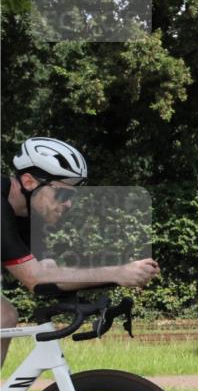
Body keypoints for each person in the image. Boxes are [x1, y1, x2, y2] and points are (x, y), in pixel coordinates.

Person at [2, 137, 160, 365]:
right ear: (28, 182)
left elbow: (51, 273)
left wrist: (117, 278)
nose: (69, 205)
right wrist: (116, 272)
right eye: (63, 195)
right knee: (3, 315)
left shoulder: (29, 215)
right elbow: (34, 278)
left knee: (4, 316)